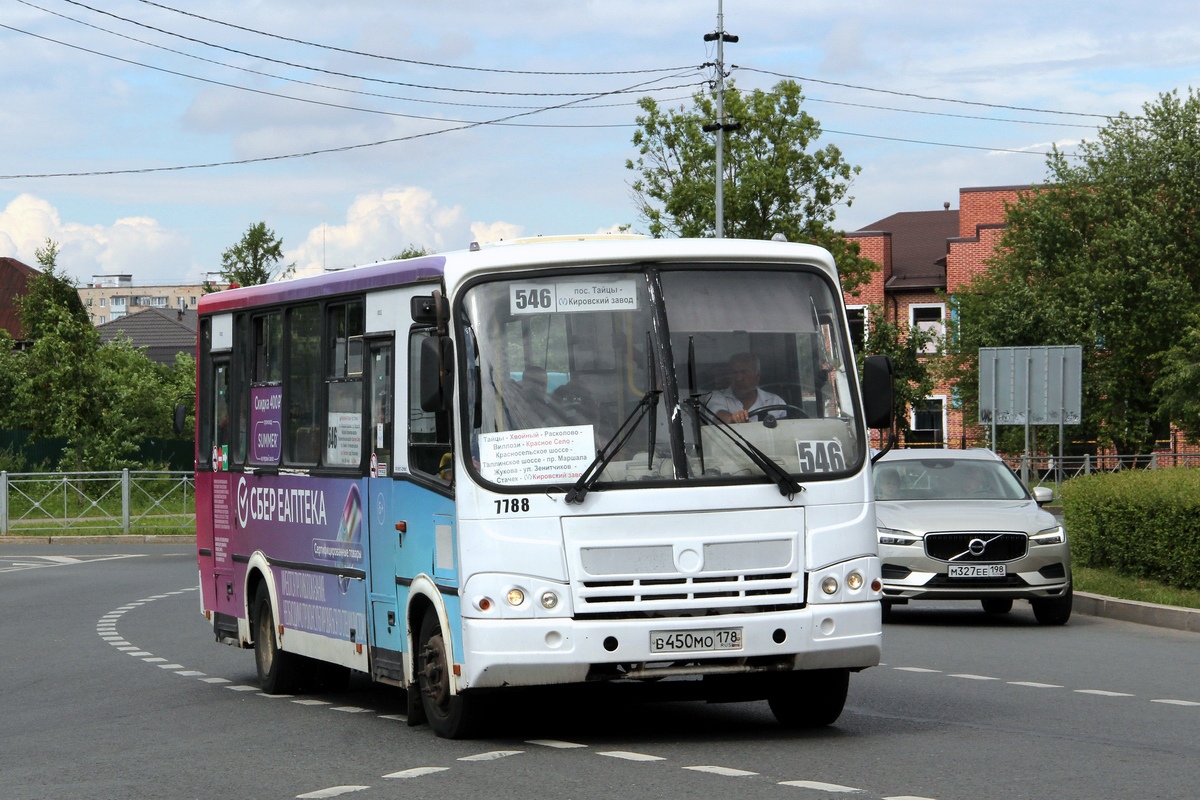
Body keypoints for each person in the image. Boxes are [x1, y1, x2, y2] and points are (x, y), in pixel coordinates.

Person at [706, 352, 786, 423]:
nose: (738, 378)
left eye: (744, 372)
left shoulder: (775, 402)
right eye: (734, 373)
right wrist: (732, 419)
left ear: (757, 376)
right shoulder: (715, 397)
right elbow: (717, 414)